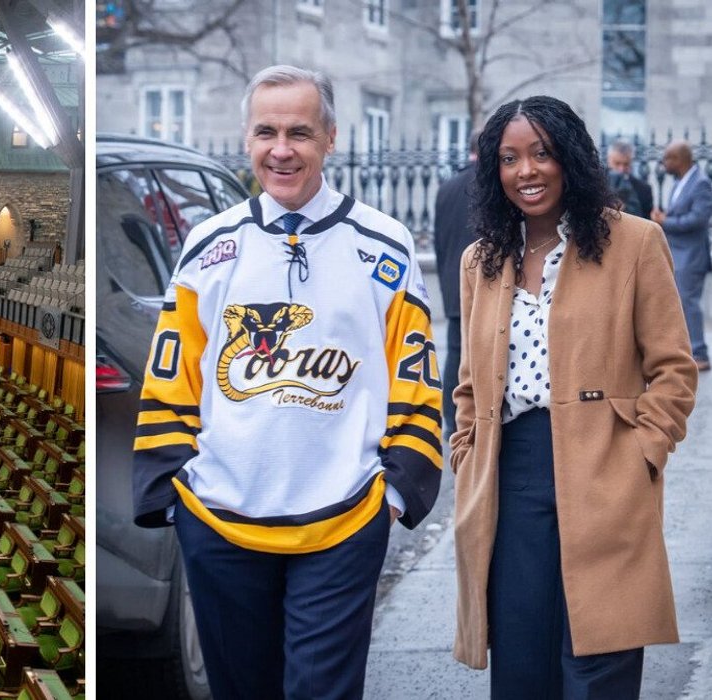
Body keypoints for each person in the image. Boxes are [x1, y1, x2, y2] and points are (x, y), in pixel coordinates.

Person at [132, 64, 442, 699]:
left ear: (331, 137)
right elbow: (172, 372)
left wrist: (397, 491)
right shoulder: (208, 244)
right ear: (247, 140)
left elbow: (416, 377)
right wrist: (173, 488)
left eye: (299, 132)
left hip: (346, 515)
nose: (281, 149)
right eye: (266, 132)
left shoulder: (385, 245)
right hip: (220, 517)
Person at [451, 96, 698, 699]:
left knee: (600, 662)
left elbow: (673, 368)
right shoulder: (480, 260)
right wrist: (466, 450)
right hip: (510, 476)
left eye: (541, 153)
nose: (526, 171)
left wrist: (643, 453)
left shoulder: (634, 243)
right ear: (494, 171)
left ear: (570, 158)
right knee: (522, 663)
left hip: (606, 467)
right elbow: (467, 382)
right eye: (509, 158)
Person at [650, 140, 712, 371]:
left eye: (667, 158)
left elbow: (698, 220)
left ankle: (700, 353)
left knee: (689, 303)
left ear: (679, 159)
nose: (664, 163)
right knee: (679, 303)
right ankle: (687, 351)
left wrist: (665, 221)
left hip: (692, 256)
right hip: (678, 253)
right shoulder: (680, 183)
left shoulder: (701, 184)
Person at [434, 132, 479, 437]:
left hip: (452, 280)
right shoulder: (493, 184)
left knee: (455, 352)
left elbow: (438, 239)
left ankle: (452, 419)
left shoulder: (447, 187)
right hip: (483, 279)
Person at [607, 139, 653, 217]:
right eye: (617, 163)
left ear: (631, 162)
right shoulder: (597, 183)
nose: (621, 169)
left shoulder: (644, 189)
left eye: (626, 164)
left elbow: (646, 221)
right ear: (609, 160)